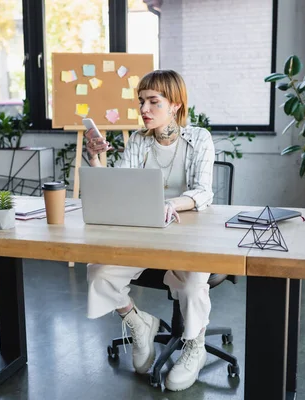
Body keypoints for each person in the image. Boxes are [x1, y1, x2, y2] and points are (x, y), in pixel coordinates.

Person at [84, 69, 215, 392]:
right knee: (98, 272)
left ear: (175, 105)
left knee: (194, 283)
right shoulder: (139, 141)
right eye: (141, 101)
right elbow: (117, 188)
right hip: (144, 235)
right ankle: (139, 325)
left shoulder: (199, 139)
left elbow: (203, 191)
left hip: (189, 236)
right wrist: (97, 158)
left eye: (153, 102)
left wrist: (175, 204)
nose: (144, 109)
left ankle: (194, 345)